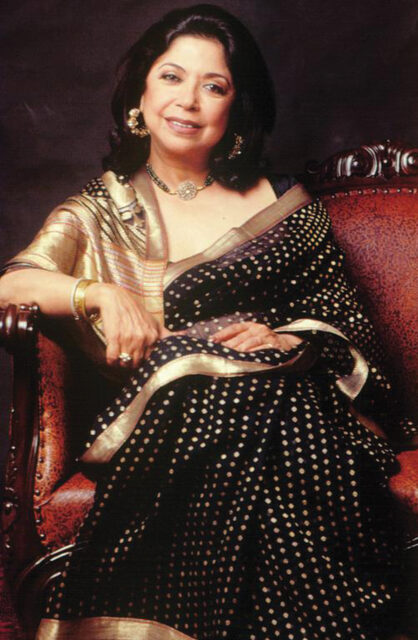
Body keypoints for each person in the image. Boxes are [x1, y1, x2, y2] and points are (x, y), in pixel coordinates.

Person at [0, 5, 416, 639]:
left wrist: (287, 340)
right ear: (140, 95)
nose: (188, 101)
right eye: (172, 77)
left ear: (235, 108)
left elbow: (346, 324)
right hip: (169, 418)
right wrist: (98, 293)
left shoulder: (283, 205)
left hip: (300, 406)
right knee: (242, 404)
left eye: (213, 86)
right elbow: (11, 284)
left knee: (273, 402)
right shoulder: (99, 211)